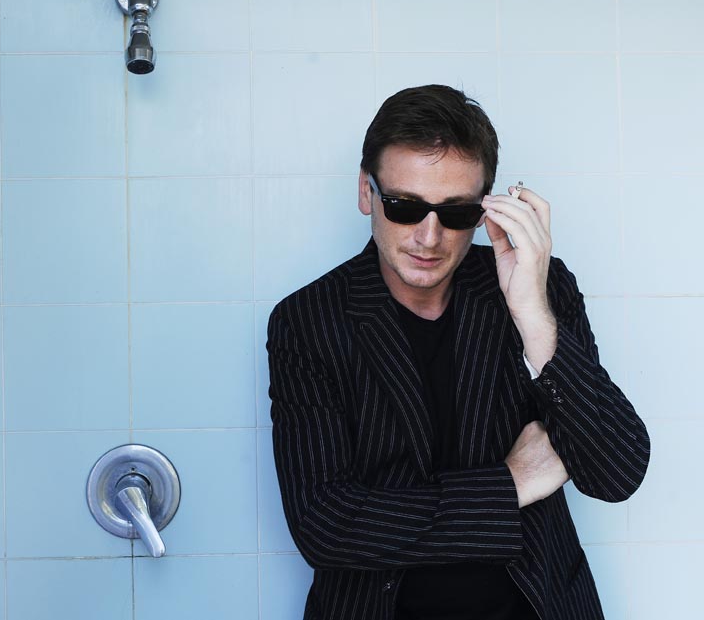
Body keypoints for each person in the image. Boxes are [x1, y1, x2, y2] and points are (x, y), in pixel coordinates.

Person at [266, 85, 650, 620]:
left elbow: (615, 472)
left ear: (485, 209)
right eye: (404, 206)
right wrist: (509, 485)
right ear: (366, 193)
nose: (429, 237)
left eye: (456, 213)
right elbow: (327, 526)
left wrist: (533, 318)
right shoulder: (309, 321)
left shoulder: (538, 287)